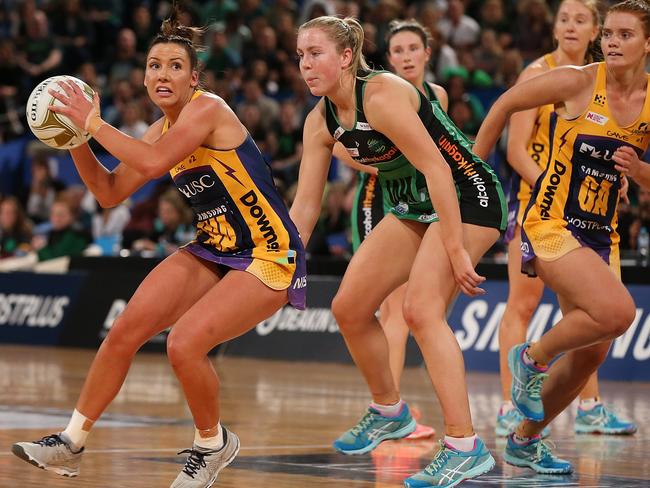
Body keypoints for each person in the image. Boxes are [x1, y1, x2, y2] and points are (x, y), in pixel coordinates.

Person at [11, 12, 306, 488]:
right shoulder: (158, 128)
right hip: (215, 247)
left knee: (184, 344)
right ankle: (71, 441)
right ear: (143, 76)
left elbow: (149, 165)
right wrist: (74, 137)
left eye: (173, 66)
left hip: (269, 253)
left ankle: (212, 445)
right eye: (153, 65)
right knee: (124, 330)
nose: (162, 75)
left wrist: (94, 122)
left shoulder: (208, 109)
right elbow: (108, 193)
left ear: (194, 78)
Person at [291, 16, 506, 487]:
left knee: (421, 309)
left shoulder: (383, 95)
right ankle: (390, 411)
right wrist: (283, 260)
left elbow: (437, 168)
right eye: (301, 56)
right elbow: (306, 206)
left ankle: (464, 446)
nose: (305, 65)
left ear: (346, 57)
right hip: (412, 204)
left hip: (467, 194)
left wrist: (456, 247)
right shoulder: (320, 121)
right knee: (349, 307)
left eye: (316, 53)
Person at [473, 0, 650, 474]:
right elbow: (507, 102)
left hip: (601, 236)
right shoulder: (578, 79)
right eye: (608, 34)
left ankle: (525, 441)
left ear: (647, 44)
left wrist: (640, 170)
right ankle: (531, 358)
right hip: (550, 223)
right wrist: (470, 171)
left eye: (625, 35)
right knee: (618, 312)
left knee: (592, 351)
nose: (612, 42)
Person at [342, 18, 450, 441]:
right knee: (391, 309)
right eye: (398, 50)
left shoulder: (436, 95)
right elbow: (336, 142)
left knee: (411, 309)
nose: (406, 56)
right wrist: (380, 163)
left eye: (412, 49)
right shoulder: (375, 91)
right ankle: (390, 407)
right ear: (388, 58)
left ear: (427, 53)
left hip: (423, 203)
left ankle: (391, 409)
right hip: (378, 199)